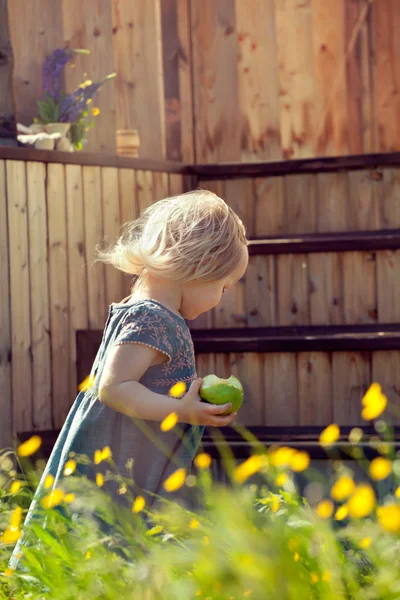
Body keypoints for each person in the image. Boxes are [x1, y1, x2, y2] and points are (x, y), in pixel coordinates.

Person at [10, 188, 248, 564]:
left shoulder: (149, 312)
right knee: (103, 544)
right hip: (118, 462)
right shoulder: (153, 317)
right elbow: (113, 388)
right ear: (200, 265)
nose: (221, 297)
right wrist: (180, 410)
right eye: (222, 286)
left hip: (132, 459)